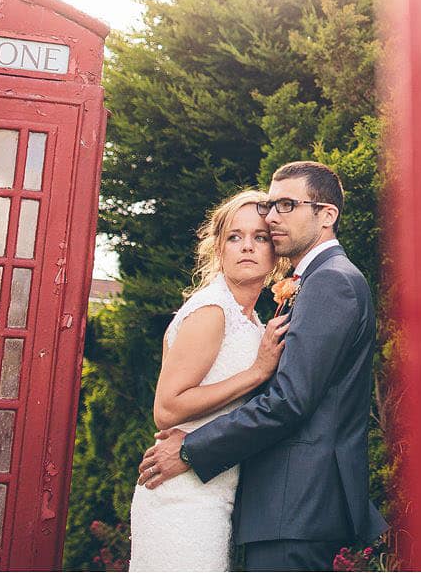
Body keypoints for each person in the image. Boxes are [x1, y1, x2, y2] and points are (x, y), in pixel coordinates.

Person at [137, 161, 387, 571]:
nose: (273, 217)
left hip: (296, 502)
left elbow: (289, 401)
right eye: (272, 205)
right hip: (276, 504)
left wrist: (191, 449)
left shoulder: (331, 282)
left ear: (327, 215)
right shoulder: (301, 288)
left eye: (287, 205)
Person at [128, 189, 291, 571]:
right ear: (218, 249)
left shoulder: (251, 320)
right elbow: (167, 409)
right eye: (234, 237)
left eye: (259, 237)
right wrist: (256, 373)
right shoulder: (212, 311)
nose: (247, 246)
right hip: (181, 497)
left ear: (274, 252)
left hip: (213, 489)